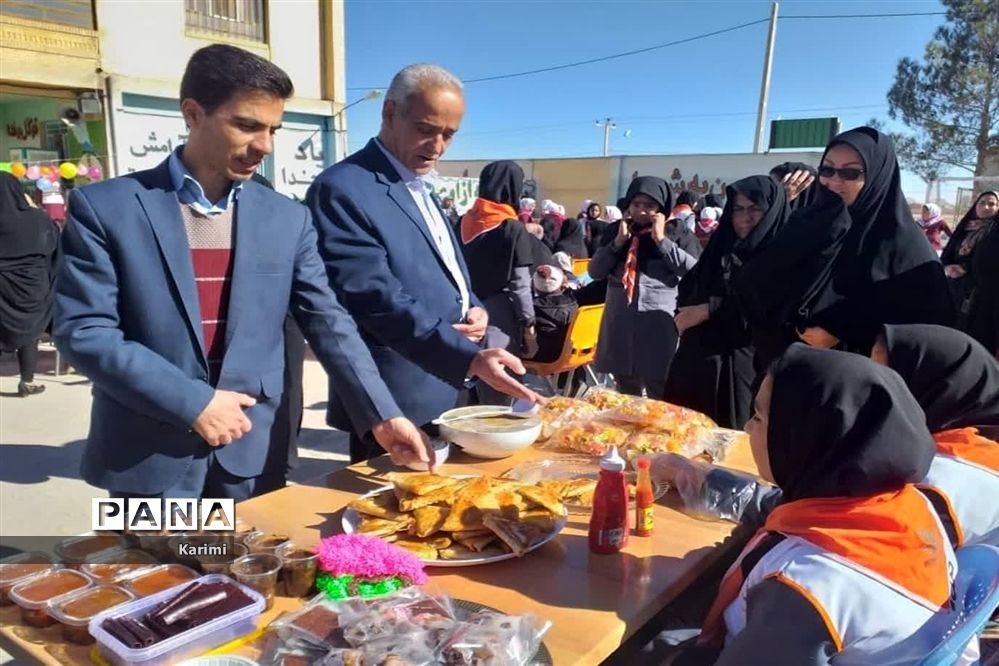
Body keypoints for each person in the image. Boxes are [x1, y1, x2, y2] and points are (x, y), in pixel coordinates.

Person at [53, 45, 433, 500]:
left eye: (273, 128)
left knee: (249, 568)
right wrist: (194, 402)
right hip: (147, 458)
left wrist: (382, 415)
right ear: (193, 114)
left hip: (252, 455)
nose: (265, 146)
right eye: (247, 125)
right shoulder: (108, 207)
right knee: (154, 570)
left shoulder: (287, 218)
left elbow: (328, 321)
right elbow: (85, 331)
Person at [649, 344, 958, 665]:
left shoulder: (803, 588)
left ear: (802, 437)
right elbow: (780, 506)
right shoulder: (901, 506)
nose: (747, 428)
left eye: (758, 416)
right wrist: (698, 478)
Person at [305, 63, 541, 463]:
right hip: (396, 399)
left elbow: (447, 267)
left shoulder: (419, 184)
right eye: (426, 129)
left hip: (451, 386)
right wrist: (465, 355)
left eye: (449, 134)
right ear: (390, 114)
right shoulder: (344, 189)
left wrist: (474, 305)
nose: (437, 145)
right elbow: (376, 297)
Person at [738, 126, 953, 368]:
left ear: (877, 177)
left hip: (856, 385)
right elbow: (753, 277)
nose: (834, 181)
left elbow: (926, 336)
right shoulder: (808, 224)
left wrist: (846, 331)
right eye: (827, 169)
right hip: (785, 371)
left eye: (850, 173)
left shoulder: (906, 249)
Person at [665, 176, 791, 429]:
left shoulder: (783, 256)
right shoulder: (722, 249)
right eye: (739, 209)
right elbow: (690, 287)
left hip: (745, 371)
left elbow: (765, 308)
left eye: (755, 209)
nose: (746, 217)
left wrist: (709, 309)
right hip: (697, 368)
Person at [589, 176, 699, 398]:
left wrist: (661, 240)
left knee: (661, 388)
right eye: (636, 204)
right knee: (626, 391)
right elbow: (595, 272)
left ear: (661, 208)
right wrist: (618, 243)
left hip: (657, 324)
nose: (641, 211)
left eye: (650, 206)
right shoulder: (617, 231)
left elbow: (694, 271)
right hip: (621, 323)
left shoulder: (676, 231)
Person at [459, 160, 539, 364]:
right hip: (497, 318)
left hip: (460, 315)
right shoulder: (513, 228)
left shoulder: (460, 222)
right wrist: (529, 329)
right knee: (497, 388)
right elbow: (520, 285)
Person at [0, 172, 59, 397]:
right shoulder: (37, 219)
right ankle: (27, 381)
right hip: (32, 286)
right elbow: (53, 246)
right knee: (31, 332)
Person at [941, 190, 998, 333]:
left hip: (982, 293)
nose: (985, 207)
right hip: (955, 288)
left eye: (992, 204)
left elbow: (991, 260)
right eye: (982, 203)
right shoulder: (965, 227)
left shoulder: (995, 231)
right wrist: (948, 267)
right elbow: (948, 252)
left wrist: (966, 268)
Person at [531, 264, 578, 363]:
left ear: (535, 287)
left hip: (546, 355)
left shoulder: (533, 308)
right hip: (573, 352)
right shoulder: (574, 303)